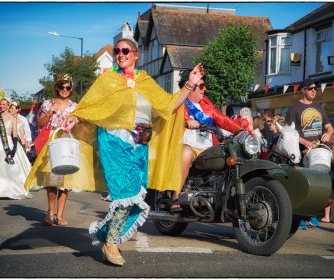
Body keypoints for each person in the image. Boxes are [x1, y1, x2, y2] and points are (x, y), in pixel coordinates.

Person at [26, 35, 204, 266]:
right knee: (124, 192)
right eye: (117, 51)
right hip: (112, 140)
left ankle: (108, 236)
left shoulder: (146, 81)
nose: (120, 54)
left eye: (125, 51)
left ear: (136, 55)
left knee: (136, 196)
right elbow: (91, 104)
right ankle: (111, 243)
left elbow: (168, 106)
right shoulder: (107, 80)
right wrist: (75, 117)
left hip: (139, 144)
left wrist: (189, 83)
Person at [170, 69, 248, 211]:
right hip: (186, 146)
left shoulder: (206, 104)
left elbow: (222, 119)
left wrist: (241, 131)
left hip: (207, 149)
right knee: (186, 152)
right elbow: (173, 115)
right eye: (201, 86)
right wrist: (187, 121)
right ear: (191, 87)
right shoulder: (180, 101)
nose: (204, 89)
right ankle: (176, 196)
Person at [25, 74, 77, 227]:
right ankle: (50, 213)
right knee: (52, 181)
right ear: (57, 87)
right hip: (51, 145)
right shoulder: (48, 103)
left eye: (67, 87)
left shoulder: (74, 106)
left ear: (71, 88)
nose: (64, 90)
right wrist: (50, 112)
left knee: (65, 182)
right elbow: (39, 124)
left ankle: (60, 215)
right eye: (62, 86)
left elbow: (79, 125)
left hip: (67, 144)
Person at [285, 78, 334, 229]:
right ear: (304, 90)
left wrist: (329, 134)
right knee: (304, 185)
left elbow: (329, 127)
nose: (314, 91)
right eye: (311, 88)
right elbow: (288, 132)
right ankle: (299, 217)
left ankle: (311, 215)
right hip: (302, 152)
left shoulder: (318, 107)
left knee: (319, 185)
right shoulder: (294, 108)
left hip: (319, 152)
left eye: (315, 89)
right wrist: (304, 142)